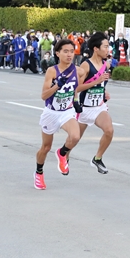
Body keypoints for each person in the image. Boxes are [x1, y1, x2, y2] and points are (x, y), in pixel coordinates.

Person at [34, 39, 84, 190]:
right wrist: (57, 85)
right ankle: (39, 172)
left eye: (71, 51)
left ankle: (62, 153)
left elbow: (76, 88)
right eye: (65, 51)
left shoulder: (79, 71)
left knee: (75, 136)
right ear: (58, 53)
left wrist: (75, 100)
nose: (69, 55)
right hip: (51, 112)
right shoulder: (52, 71)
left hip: (66, 112)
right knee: (45, 147)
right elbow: (43, 96)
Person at [72, 33, 115, 174]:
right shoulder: (86, 65)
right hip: (85, 109)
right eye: (105, 46)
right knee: (74, 139)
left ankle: (97, 158)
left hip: (99, 107)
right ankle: (63, 156)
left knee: (109, 131)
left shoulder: (106, 64)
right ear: (96, 49)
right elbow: (77, 87)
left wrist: (104, 92)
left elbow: (102, 84)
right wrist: (96, 82)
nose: (108, 49)